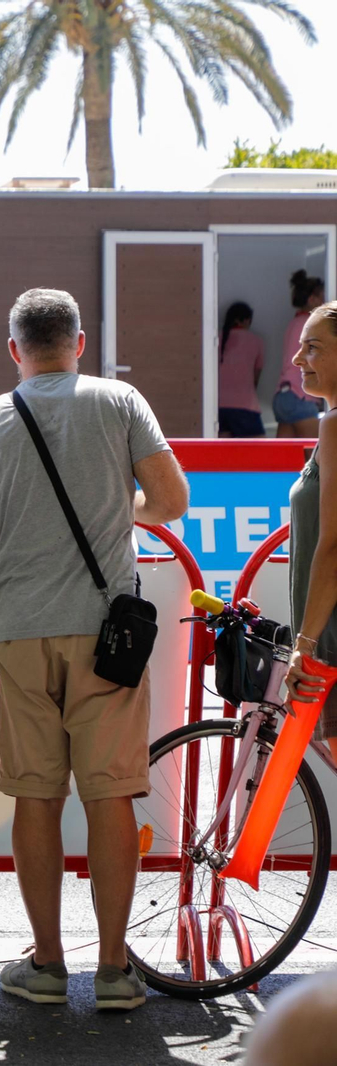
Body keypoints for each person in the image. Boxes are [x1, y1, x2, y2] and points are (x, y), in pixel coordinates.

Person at [0, 288, 189, 1013]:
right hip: (107, 633)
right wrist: (125, 512)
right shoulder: (121, 403)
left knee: (36, 793)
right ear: (80, 343)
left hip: (20, 630)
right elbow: (172, 498)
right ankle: (115, 970)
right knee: (110, 794)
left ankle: (47, 964)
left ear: (15, 349)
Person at [284, 302, 337, 757]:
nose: (299, 360)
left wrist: (305, 644)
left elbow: (333, 547)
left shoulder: (336, 425)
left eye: (313, 348)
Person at [276, 270, 326, 438]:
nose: (325, 302)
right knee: (317, 459)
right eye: (322, 297)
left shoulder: (294, 323)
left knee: (283, 462)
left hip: (283, 396)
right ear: (312, 299)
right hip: (301, 397)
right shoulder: (312, 325)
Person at [218, 301, 266, 438]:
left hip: (219, 406)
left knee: (223, 456)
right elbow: (256, 377)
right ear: (246, 320)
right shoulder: (256, 341)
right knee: (260, 452)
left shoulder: (216, 339)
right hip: (245, 405)